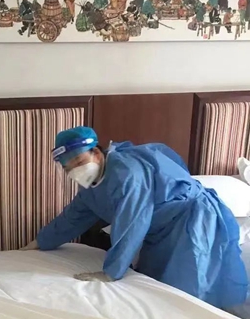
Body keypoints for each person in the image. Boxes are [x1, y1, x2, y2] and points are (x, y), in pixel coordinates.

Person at [22, 127, 248, 309]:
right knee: (154, 289)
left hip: (192, 222)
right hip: (160, 231)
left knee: (187, 292)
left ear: (97, 154)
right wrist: (39, 242)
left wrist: (110, 272)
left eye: (79, 162)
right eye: (68, 168)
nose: (75, 171)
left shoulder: (127, 174)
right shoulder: (91, 186)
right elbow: (73, 218)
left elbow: (131, 224)